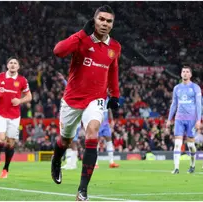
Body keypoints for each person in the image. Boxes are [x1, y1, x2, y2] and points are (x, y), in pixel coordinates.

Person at [52, 5, 121, 201]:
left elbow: (113, 70)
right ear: (94, 20)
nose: (105, 24)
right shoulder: (82, 40)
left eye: (109, 21)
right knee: (65, 140)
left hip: (96, 99)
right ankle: (57, 160)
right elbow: (58, 51)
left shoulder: (115, 47)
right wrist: (82, 33)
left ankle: (82, 190)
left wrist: (114, 95)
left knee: (93, 131)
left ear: (112, 24)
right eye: (102, 19)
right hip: (73, 99)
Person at [0, 57, 32, 179]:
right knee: (0, 139)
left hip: (14, 116)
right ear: (7, 65)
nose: (13, 65)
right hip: (0, 113)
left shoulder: (22, 80)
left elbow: (29, 96)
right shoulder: (0, 77)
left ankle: (6, 168)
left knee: (10, 143)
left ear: (18, 67)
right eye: (11, 63)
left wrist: (20, 100)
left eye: (15, 63)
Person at [166, 66, 202, 174]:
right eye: (183, 71)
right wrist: (169, 119)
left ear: (190, 75)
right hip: (179, 119)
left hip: (191, 119)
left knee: (191, 145)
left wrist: (198, 120)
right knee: (177, 144)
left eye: (187, 72)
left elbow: (199, 104)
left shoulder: (195, 87)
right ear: (181, 74)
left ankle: (192, 165)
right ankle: (176, 168)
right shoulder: (177, 88)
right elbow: (174, 104)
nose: (185, 73)